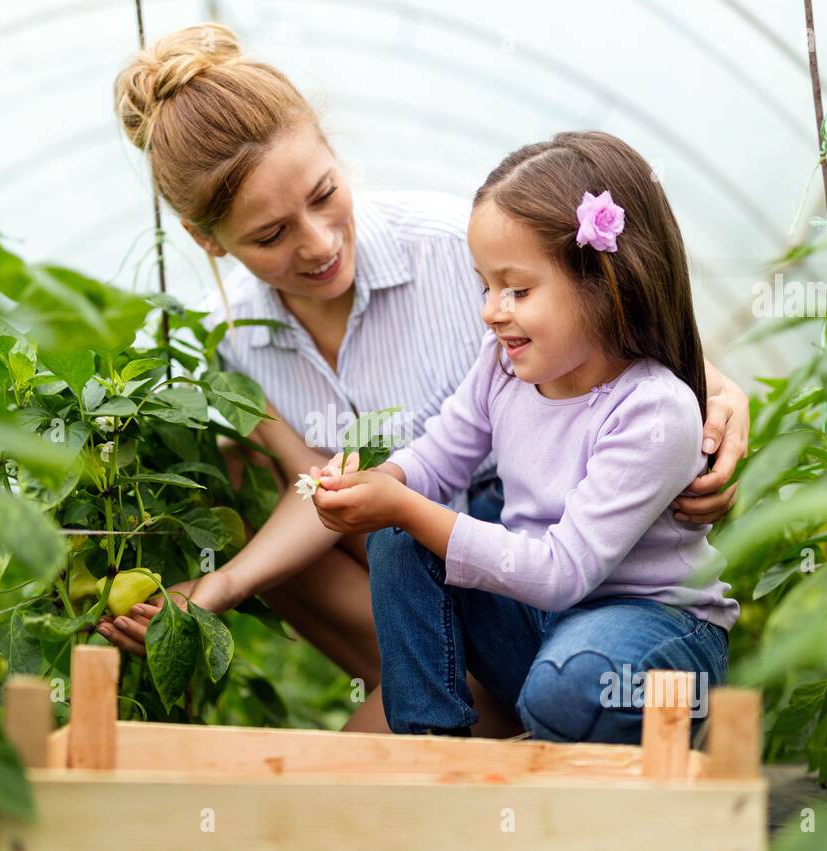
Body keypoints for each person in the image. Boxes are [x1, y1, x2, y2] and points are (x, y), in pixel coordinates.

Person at [98, 23, 749, 736]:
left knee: (559, 667)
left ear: (337, 158)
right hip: (471, 605)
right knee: (306, 493)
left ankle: (534, 718)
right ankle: (440, 732)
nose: (317, 244)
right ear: (206, 240)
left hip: (568, 576)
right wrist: (221, 581)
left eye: (323, 194)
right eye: (270, 235)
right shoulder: (232, 348)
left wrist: (719, 398)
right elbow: (418, 465)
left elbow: (627, 348)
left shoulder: (456, 250)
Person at [308, 131, 739, 742]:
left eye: (517, 289)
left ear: (603, 282)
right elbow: (439, 455)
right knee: (397, 538)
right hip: (541, 622)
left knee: (571, 683)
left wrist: (404, 503)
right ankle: (432, 752)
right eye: (485, 285)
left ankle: (584, 741)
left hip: (649, 632)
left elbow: (563, 571)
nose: (491, 309)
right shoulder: (501, 366)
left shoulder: (653, 410)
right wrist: (387, 482)